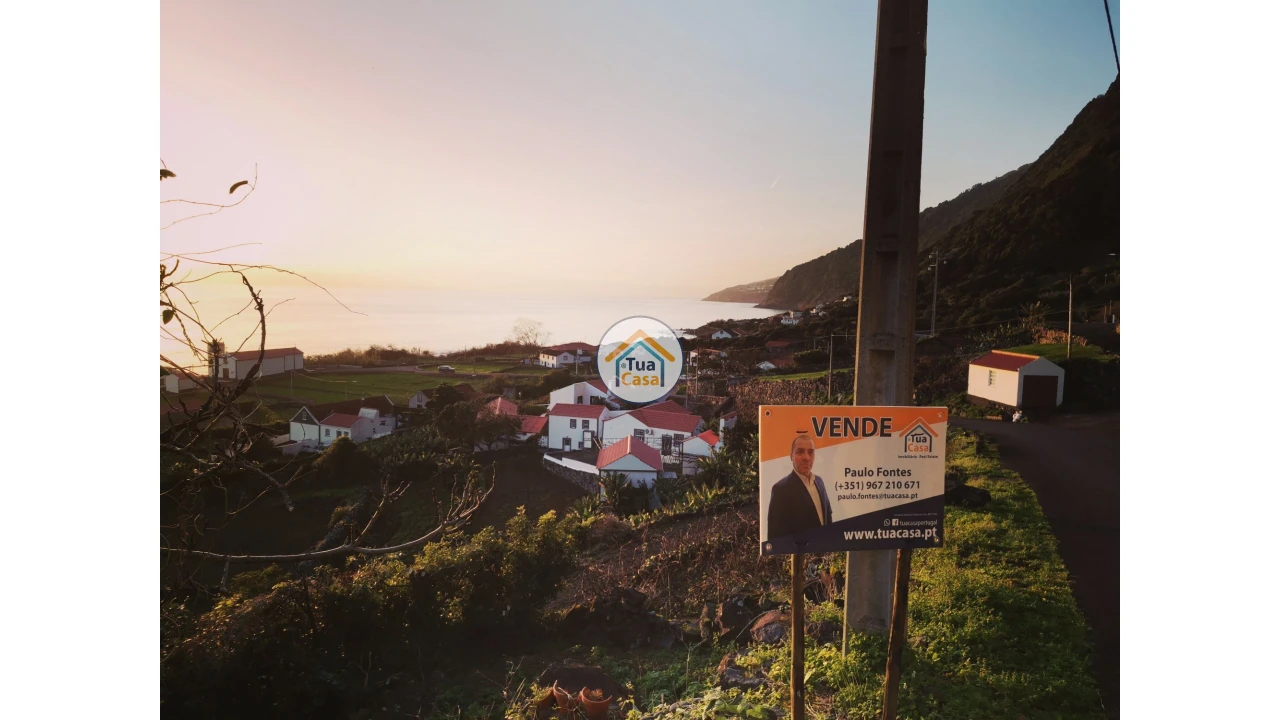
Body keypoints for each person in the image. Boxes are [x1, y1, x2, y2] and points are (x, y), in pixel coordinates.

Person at [766, 434, 833, 541]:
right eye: (800, 452)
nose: (806, 457)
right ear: (791, 456)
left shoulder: (819, 482)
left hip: (823, 550)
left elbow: (828, 516)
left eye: (811, 452)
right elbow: (775, 536)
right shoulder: (780, 489)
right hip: (801, 554)